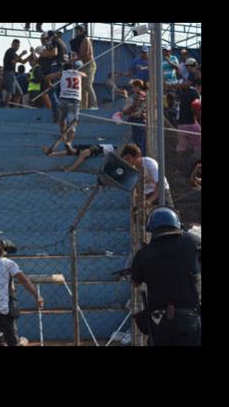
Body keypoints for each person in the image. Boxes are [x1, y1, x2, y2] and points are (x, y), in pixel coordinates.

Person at [130, 207, 201, 346]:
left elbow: (135, 282)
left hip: (160, 321)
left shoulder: (144, 253)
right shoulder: (190, 242)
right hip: (189, 318)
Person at [44, 61, 89, 151]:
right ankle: (69, 142)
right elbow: (85, 75)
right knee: (72, 123)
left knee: (62, 119)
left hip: (63, 99)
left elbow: (47, 77)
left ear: (64, 68)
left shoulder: (62, 73)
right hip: (74, 100)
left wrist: (49, 84)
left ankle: (63, 135)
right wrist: (78, 72)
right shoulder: (79, 73)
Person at [42, 142, 116, 173]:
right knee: (79, 152)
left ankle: (53, 154)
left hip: (102, 148)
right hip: (102, 148)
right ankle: (53, 154)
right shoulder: (118, 150)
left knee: (80, 152)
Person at [72, 25, 98, 110]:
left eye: (77, 31)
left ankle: (94, 105)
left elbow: (85, 54)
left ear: (81, 31)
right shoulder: (80, 41)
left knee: (88, 85)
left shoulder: (85, 40)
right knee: (82, 87)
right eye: (75, 31)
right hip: (83, 65)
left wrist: (75, 59)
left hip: (89, 65)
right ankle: (83, 107)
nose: (76, 33)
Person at [120, 79, 149, 155]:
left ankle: (140, 157)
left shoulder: (139, 95)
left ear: (137, 87)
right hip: (142, 120)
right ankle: (142, 156)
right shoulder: (144, 94)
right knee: (142, 142)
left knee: (138, 142)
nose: (132, 89)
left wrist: (123, 112)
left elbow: (134, 108)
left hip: (138, 119)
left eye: (133, 87)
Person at [2, 39, 29, 107]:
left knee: (19, 93)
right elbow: (13, 61)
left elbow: (23, 62)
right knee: (10, 91)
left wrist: (31, 55)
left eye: (18, 46)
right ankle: (5, 107)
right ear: (12, 45)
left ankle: (14, 107)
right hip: (8, 73)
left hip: (12, 74)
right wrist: (22, 54)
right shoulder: (10, 51)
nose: (16, 47)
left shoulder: (14, 53)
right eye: (15, 45)